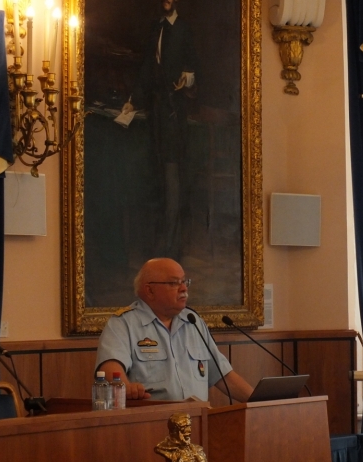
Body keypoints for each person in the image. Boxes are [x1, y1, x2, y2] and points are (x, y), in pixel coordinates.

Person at [95, 258, 253, 402]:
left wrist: (258, 402)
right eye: (173, 283)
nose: (183, 288)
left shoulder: (193, 321)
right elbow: (110, 368)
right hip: (153, 420)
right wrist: (127, 388)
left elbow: (223, 375)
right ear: (149, 290)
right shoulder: (123, 323)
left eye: (184, 282)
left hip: (197, 418)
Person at [122, 0, 198, 257]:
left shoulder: (184, 29)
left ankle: (171, 248)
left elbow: (196, 67)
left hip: (174, 113)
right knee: (156, 177)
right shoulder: (156, 28)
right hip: (156, 113)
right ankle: (156, 247)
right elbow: (147, 68)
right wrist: (133, 101)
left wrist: (187, 77)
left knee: (172, 176)